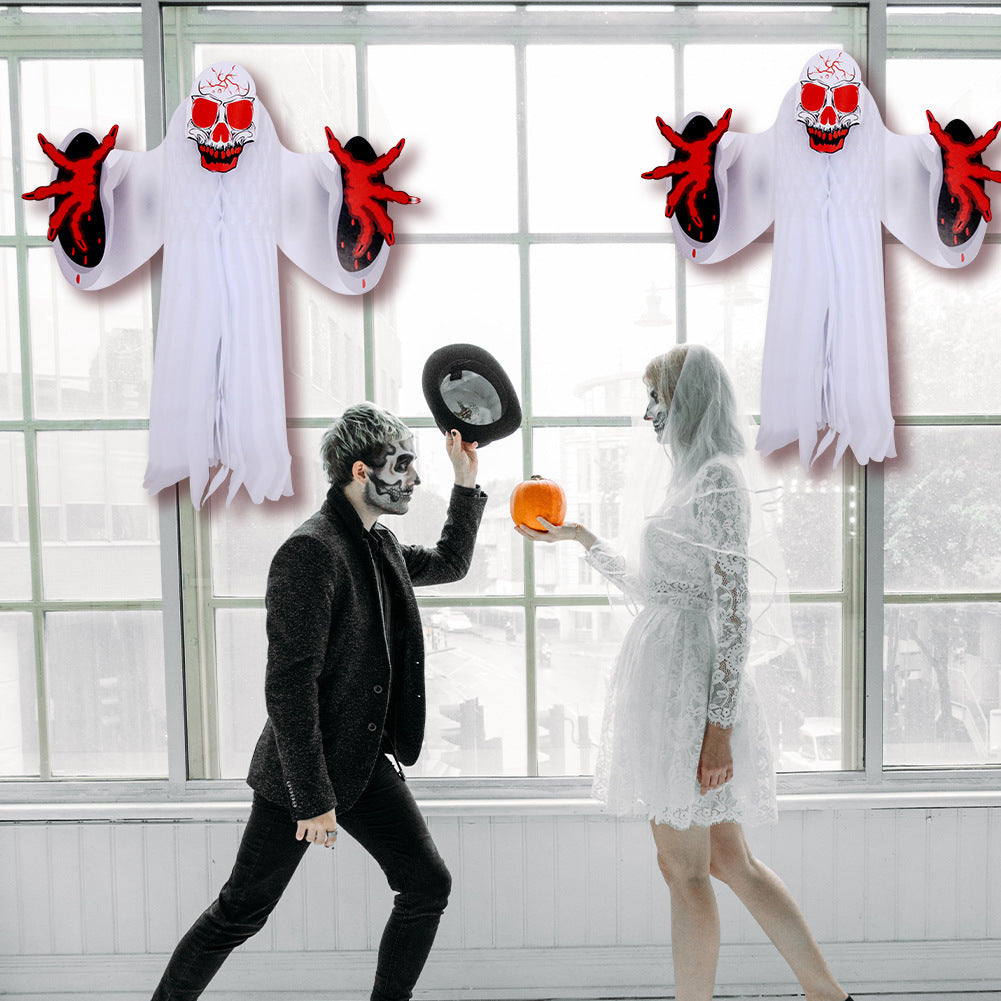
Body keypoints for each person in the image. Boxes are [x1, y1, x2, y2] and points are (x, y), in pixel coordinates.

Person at [516, 345, 852, 1001]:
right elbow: (658, 589)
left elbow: (735, 612)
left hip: (689, 692)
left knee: (684, 869)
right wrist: (581, 539)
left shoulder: (718, 481)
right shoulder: (691, 479)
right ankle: (828, 995)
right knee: (728, 860)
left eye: (657, 399)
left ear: (688, 401)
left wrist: (717, 729)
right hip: (672, 683)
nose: (648, 413)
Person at [151, 403, 485, 1001]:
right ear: (361, 471)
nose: (414, 478)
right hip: (302, 769)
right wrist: (312, 800)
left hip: (365, 760)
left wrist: (466, 483)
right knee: (241, 911)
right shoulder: (311, 551)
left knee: (426, 886)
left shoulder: (377, 543)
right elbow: (288, 687)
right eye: (403, 465)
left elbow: (450, 564)